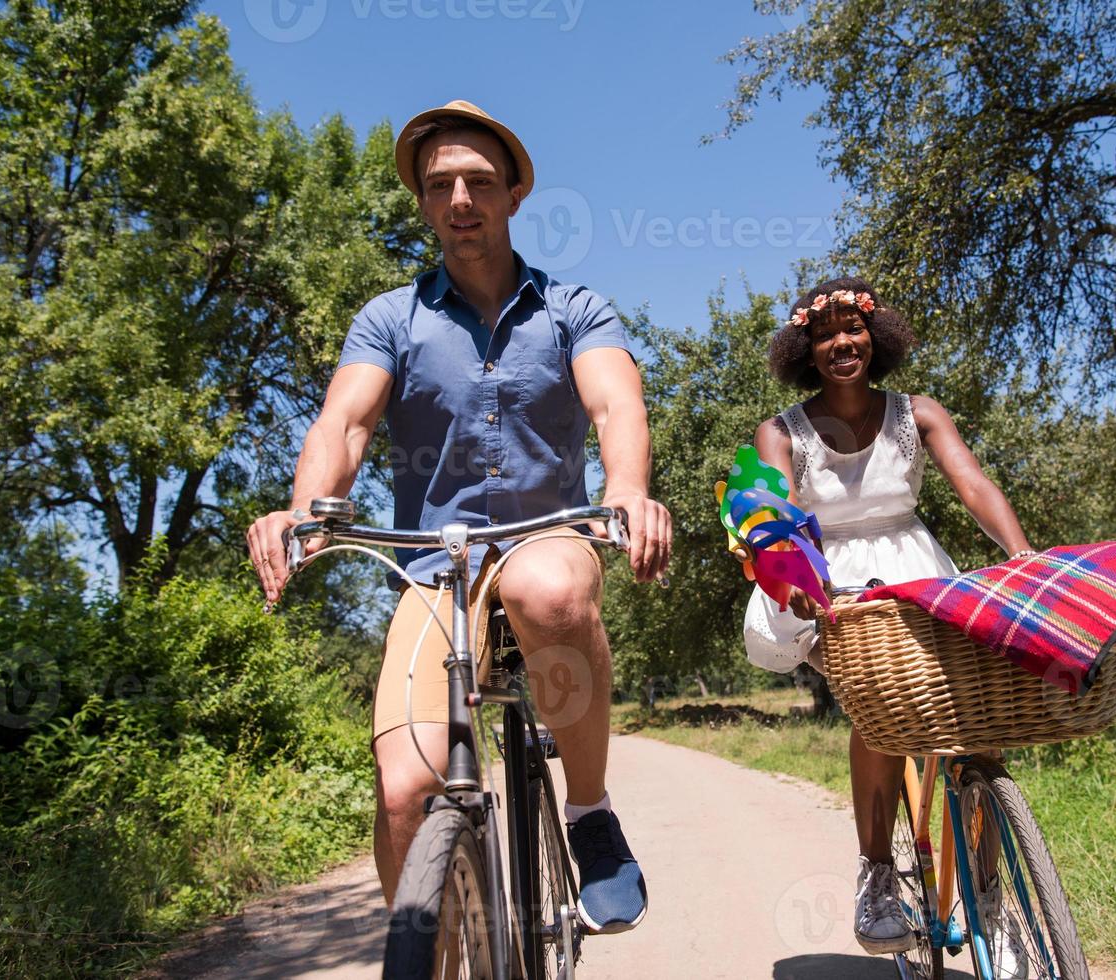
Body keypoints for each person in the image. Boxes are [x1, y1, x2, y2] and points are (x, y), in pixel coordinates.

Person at [245, 100, 670, 934]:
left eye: (479, 181)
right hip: (434, 564)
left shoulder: (573, 308)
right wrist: (304, 512)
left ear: (514, 194)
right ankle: (436, 950)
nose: (460, 199)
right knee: (406, 792)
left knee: (547, 592)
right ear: (423, 203)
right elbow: (346, 423)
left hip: (549, 535)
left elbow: (617, 404)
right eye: (440, 185)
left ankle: (589, 815)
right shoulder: (390, 319)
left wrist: (625, 489)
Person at [744, 277, 1033, 971]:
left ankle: (990, 893)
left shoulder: (918, 412)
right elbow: (771, 506)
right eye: (823, 333)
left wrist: (1020, 557)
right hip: (827, 581)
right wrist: (797, 578)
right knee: (876, 714)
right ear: (804, 348)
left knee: (976, 724)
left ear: (875, 337)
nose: (840, 342)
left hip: (917, 567)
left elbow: (971, 483)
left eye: (852, 329)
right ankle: (876, 874)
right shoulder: (780, 430)